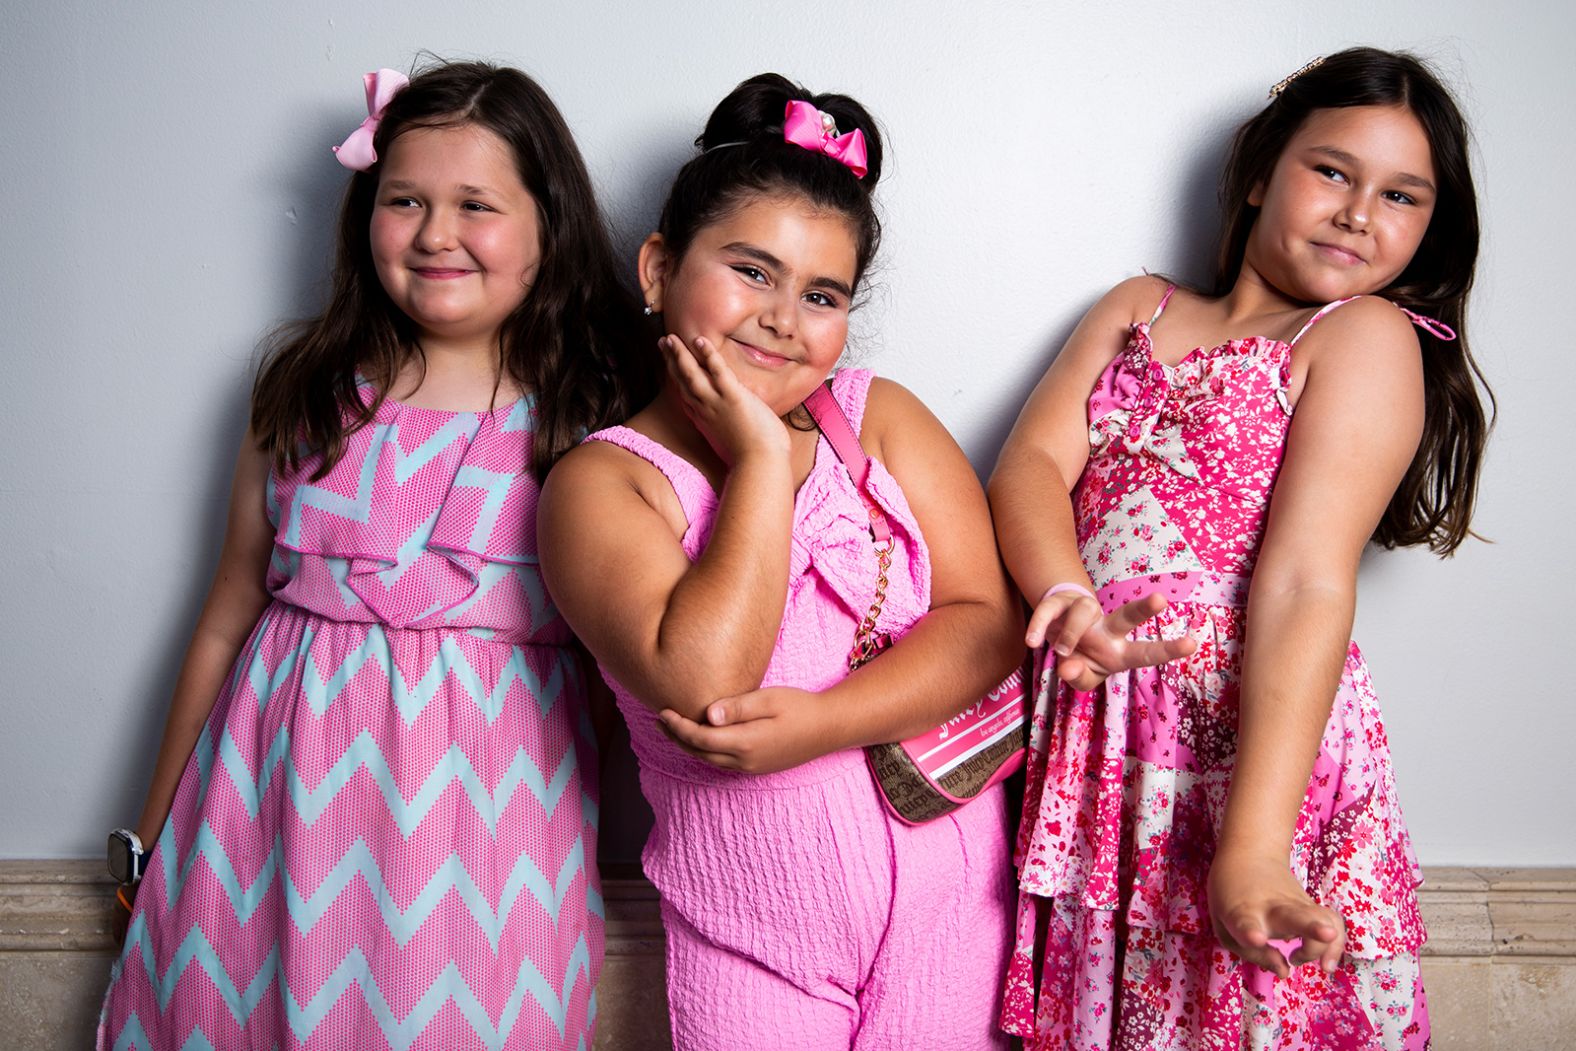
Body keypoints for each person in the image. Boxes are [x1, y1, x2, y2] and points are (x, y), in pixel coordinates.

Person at [96, 60, 654, 1050]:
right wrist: (149, 838)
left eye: (474, 205)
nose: (436, 234)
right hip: (259, 839)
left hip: (486, 857)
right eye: (405, 201)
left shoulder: (593, 415)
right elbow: (226, 612)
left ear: (547, 227)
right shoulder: (307, 386)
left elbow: (628, 678)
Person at [992, 47, 1491, 1051]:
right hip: (1109, 722)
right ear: (1261, 171)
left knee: (1243, 995)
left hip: (1248, 737)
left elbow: (1308, 581)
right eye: (1332, 171)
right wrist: (1068, 597)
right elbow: (1030, 467)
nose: (1358, 211)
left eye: (1401, 195)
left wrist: (1258, 845)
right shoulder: (1139, 308)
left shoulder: (1361, 336)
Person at [537, 73, 1024, 1050]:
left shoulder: (876, 419)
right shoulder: (602, 486)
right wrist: (759, 459)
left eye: (822, 294)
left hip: (957, 908)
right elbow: (703, 675)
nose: (783, 319)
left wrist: (825, 723)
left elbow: (985, 624)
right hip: (751, 936)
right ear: (657, 268)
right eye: (750, 271)